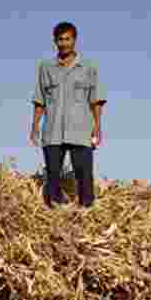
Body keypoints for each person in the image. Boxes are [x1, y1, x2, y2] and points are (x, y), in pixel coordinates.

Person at [29, 21, 107, 209]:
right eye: (60, 39)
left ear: (75, 40)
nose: (64, 43)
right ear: (55, 41)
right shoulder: (45, 68)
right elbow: (40, 99)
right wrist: (34, 126)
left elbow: (95, 100)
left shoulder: (89, 67)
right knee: (53, 173)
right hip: (53, 130)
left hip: (80, 129)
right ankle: (55, 208)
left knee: (84, 172)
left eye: (68, 39)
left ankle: (87, 208)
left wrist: (97, 127)